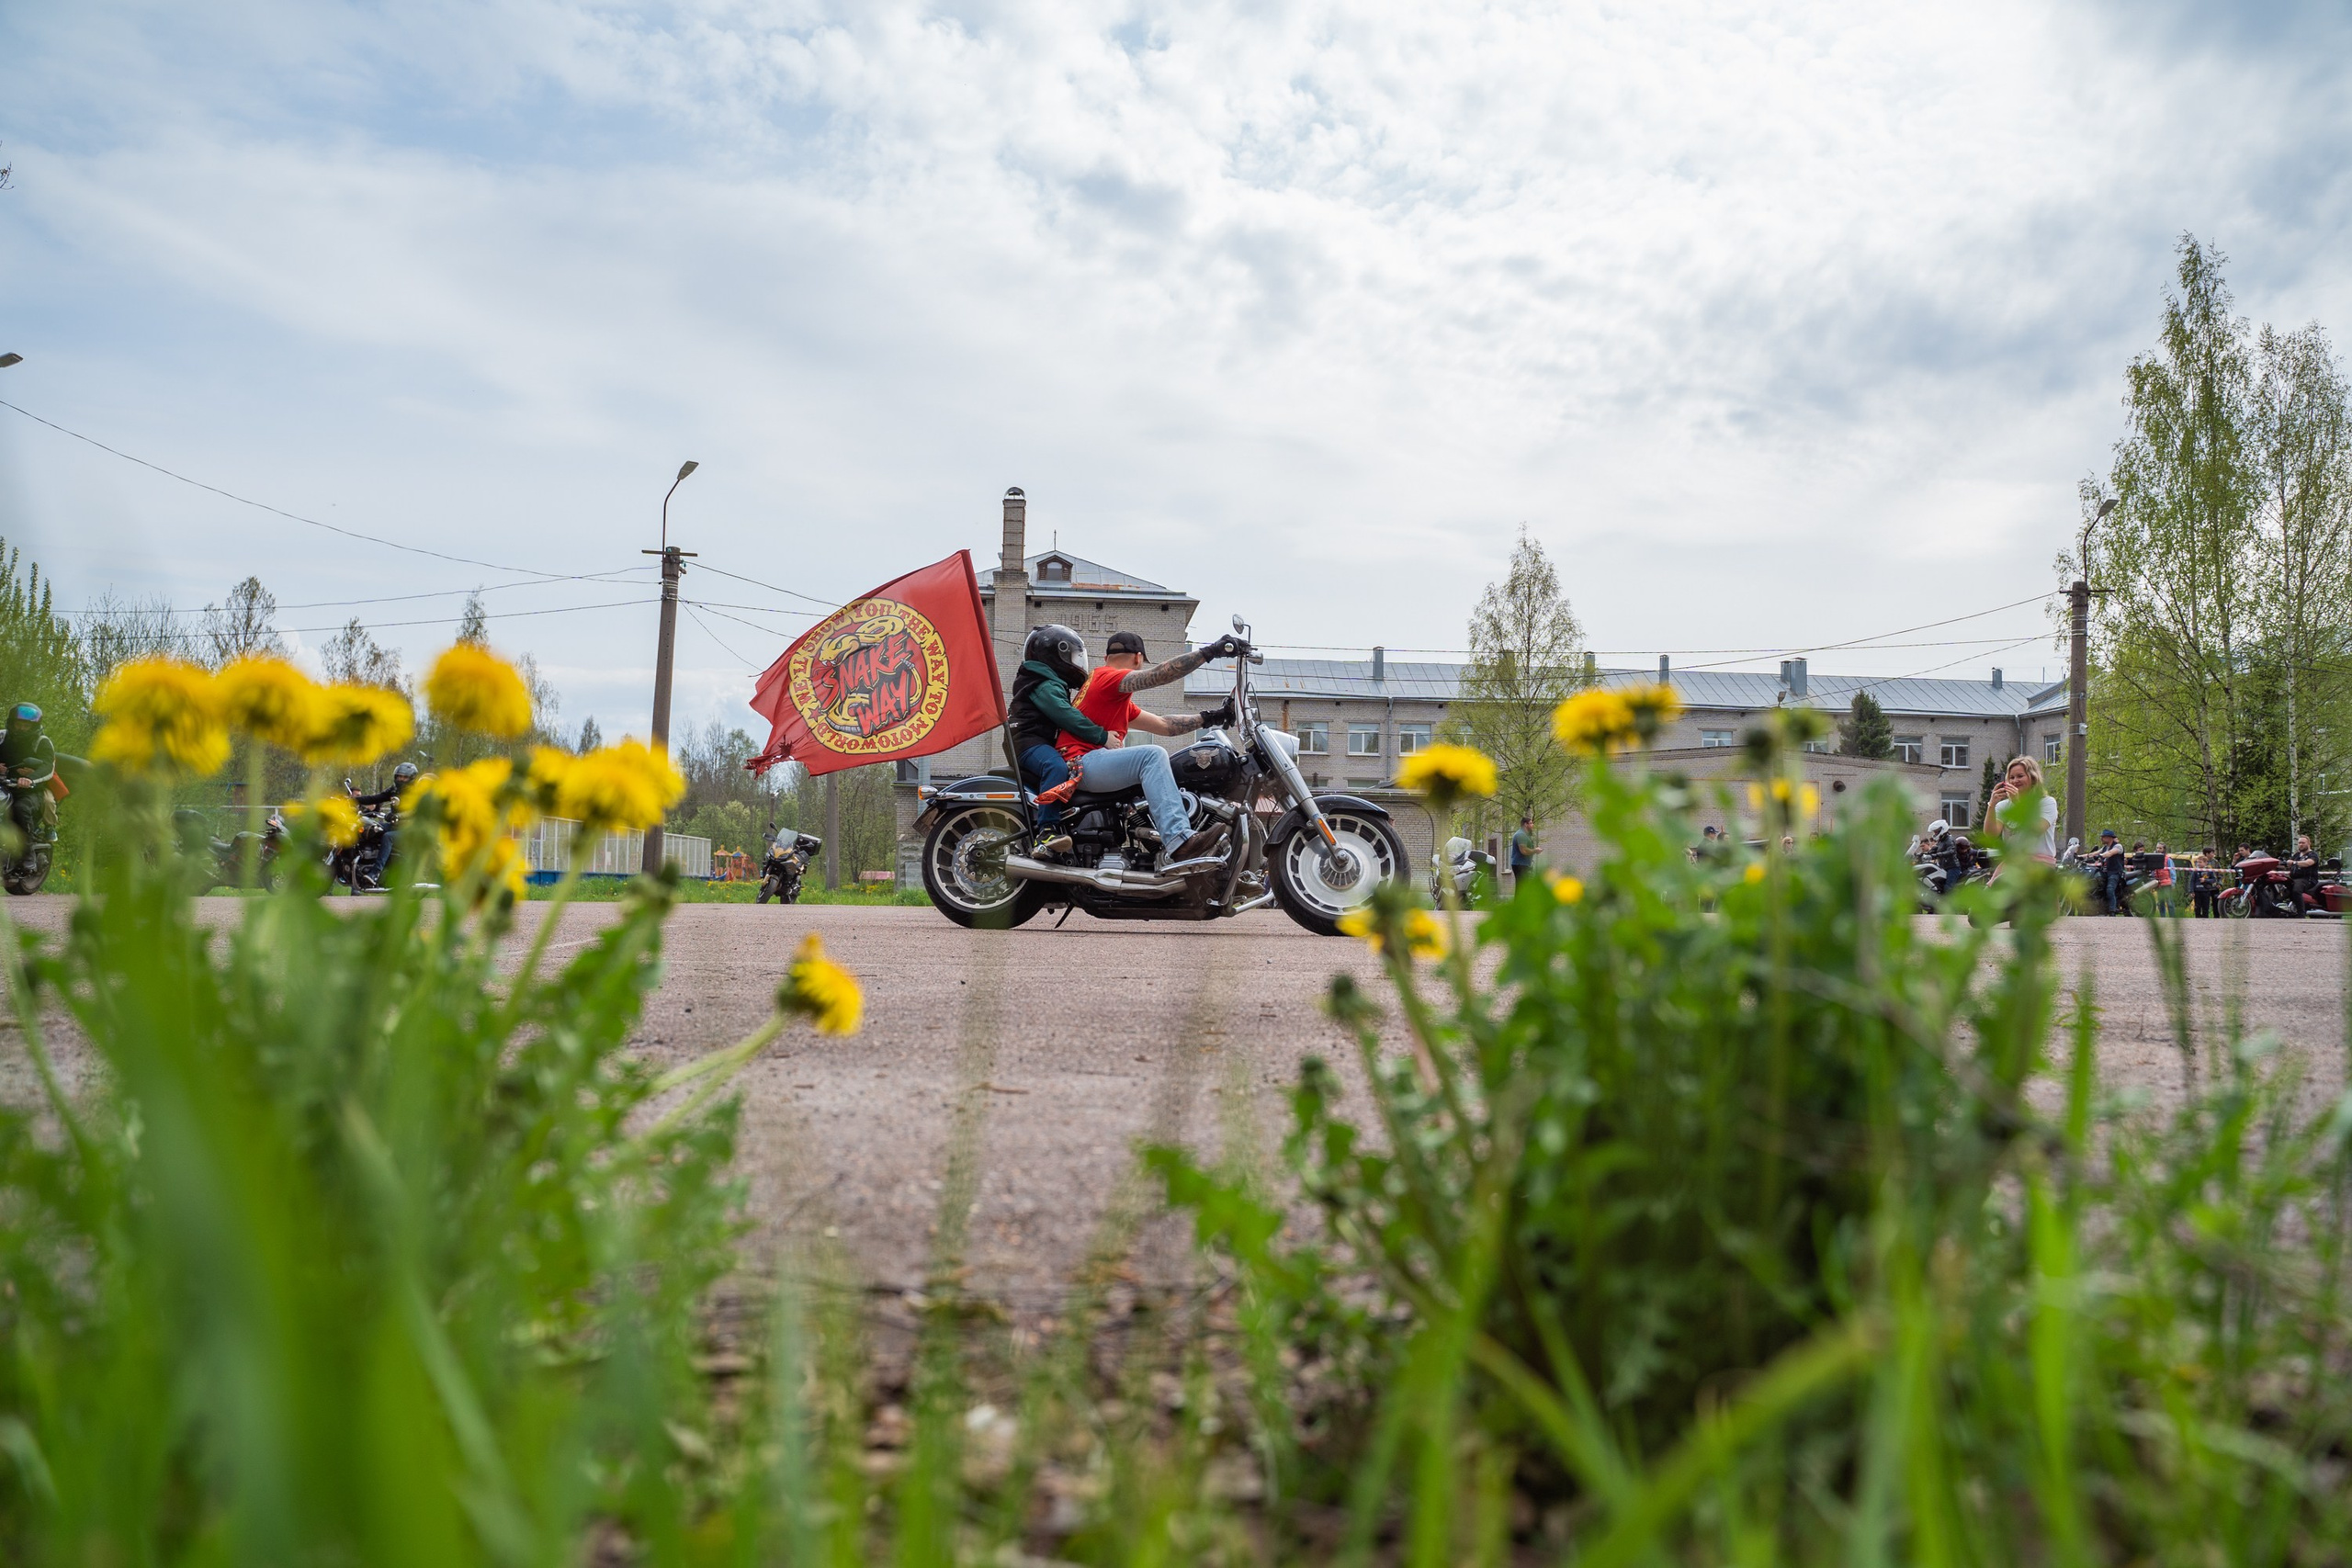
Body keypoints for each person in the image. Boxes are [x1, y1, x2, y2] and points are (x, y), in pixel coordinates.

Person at [1017, 626, 1240, 870]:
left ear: (1106, 657)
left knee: (1153, 759)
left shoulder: (1108, 692)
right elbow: (1158, 675)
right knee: (1152, 756)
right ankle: (1180, 841)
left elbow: (1165, 725)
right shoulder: (1107, 678)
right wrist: (1210, 652)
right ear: (1138, 658)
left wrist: (1212, 717)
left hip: (1084, 762)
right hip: (1081, 763)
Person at [1982, 754, 2057, 882]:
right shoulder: (2003, 806)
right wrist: (1992, 805)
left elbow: (2035, 830)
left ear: (2033, 778)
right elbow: (1991, 834)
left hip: (2040, 866)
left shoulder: (2046, 802)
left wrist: (2018, 803)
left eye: (2020, 776)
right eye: (2011, 777)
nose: (2015, 781)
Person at [347, 761, 419, 886]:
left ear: (411, 778)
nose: (401, 779)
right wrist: (354, 800)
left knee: (388, 837)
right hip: (394, 826)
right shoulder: (394, 790)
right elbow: (375, 798)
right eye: (399, 777)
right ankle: (363, 865)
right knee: (372, 830)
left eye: (404, 777)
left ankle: (375, 873)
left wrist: (398, 816)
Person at [0, 702, 58, 851]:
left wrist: (30, 779)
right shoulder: (2, 736)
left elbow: (47, 767)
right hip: (3, 785)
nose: (21, 728)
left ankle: (27, 855)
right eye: (18, 724)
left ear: (34, 726)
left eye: (26, 725)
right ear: (12, 723)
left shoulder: (42, 742)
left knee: (21, 808)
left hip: (29, 790)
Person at [1509, 815, 1539, 890]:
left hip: (1523, 864)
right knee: (1521, 888)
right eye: (1531, 823)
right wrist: (1535, 850)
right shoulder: (1521, 835)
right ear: (1525, 824)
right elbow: (1523, 850)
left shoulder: (1524, 835)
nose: (1532, 825)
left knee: (1523, 888)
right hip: (1520, 865)